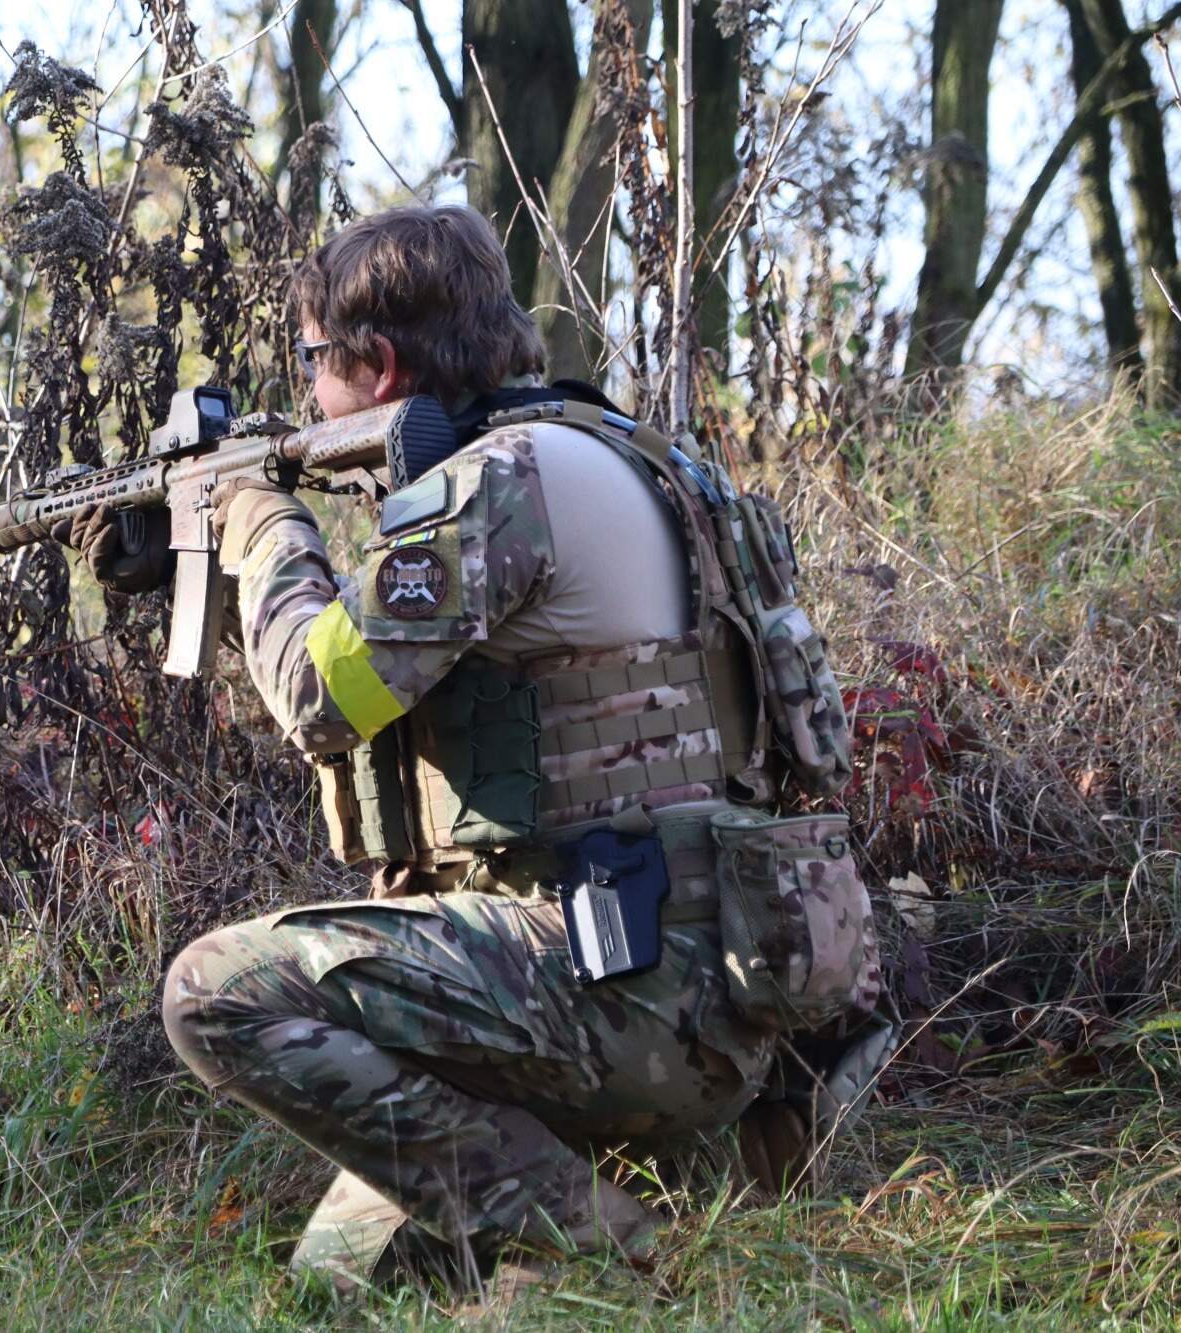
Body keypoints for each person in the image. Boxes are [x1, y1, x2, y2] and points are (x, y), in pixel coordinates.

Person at [62, 203, 883, 1292]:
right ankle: (640, 1192)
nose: (308, 395)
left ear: (378, 364)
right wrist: (197, 574)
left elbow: (317, 695)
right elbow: (395, 678)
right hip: (736, 979)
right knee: (338, 1281)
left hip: (615, 991)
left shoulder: (499, 484)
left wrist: (257, 523)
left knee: (216, 992)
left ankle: (609, 1241)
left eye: (312, 363)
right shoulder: (637, 460)